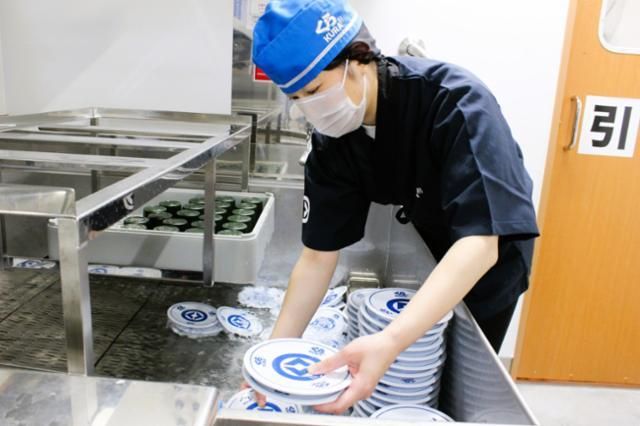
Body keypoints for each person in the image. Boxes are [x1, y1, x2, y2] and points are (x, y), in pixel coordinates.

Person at [246, 0, 539, 415]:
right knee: (400, 379)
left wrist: (390, 340)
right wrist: (272, 356)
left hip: (486, 262)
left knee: (457, 388)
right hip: (432, 247)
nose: (310, 108)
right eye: (297, 97)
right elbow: (316, 258)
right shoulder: (334, 141)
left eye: (313, 91)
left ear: (358, 58)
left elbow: (480, 243)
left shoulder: (454, 102)